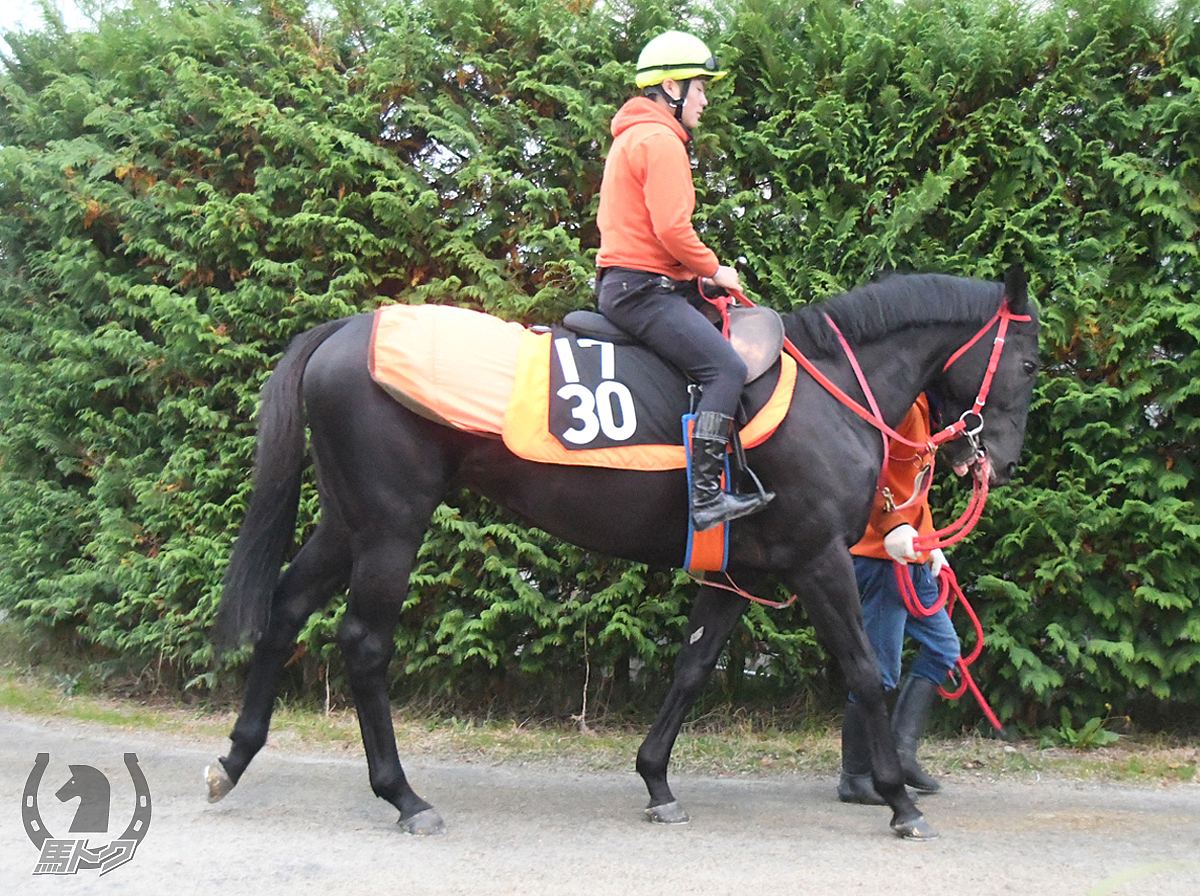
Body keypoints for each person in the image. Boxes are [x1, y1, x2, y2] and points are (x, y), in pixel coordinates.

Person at [595, 30, 773, 532]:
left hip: (636, 284)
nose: (705, 99)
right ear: (671, 88)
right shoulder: (661, 141)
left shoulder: (633, 136)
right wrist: (714, 269)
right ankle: (707, 498)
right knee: (726, 371)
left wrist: (698, 283)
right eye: (699, 88)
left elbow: (648, 235)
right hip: (642, 292)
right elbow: (673, 229)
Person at [838, 392, 961, 804]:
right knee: (880, 671)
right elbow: (865, 475)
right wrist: (893, 530)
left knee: (944, 648)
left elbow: (912, 490)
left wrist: (933, 548)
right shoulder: (899, 406)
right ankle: (854, 775)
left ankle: (902, 752)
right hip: (881, 558)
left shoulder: (927, 407)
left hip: (915, 554)